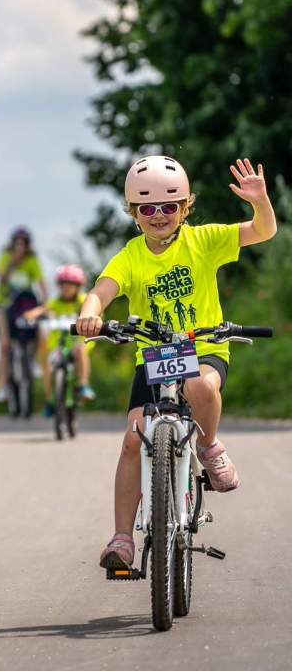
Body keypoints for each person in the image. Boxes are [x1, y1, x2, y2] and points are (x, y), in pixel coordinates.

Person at [75, 156, 277, 570]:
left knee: (200, 387)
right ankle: (121, 540)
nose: (159, 216)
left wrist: (260, 202)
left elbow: (263, 230)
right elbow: (102, 289)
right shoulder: (131, 255)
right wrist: (90, 312)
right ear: (133, 213)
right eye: (147, 208)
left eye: (169, 206)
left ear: (185, 208)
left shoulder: (204, 241)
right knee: (134, 438)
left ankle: (208, 446)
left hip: (203, 350)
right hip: (154, 357)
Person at [27, 264, 95, 413]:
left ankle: (83, 385)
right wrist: (31, 315)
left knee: (80, 350)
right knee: (49, 367)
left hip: (78, 341)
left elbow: (95, 310)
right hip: (58, 344)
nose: (66, 288)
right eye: (63, 285)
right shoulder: (55, 302)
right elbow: (42, 309)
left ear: (77, 286)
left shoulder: (83, 301)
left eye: (70, 285)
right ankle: (50, 399)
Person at [0, 227, 48, 402]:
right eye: (17, 243)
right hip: (3, 305)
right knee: (5, 345)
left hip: (25, 306)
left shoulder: (32, 260)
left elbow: (41, 282)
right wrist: (13, 262)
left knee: (40, 333)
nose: (20, 246)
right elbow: (1, 279)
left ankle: (35, 363)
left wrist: (46, 302)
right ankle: (1, 387)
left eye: (23, 243)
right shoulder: (5, 257)